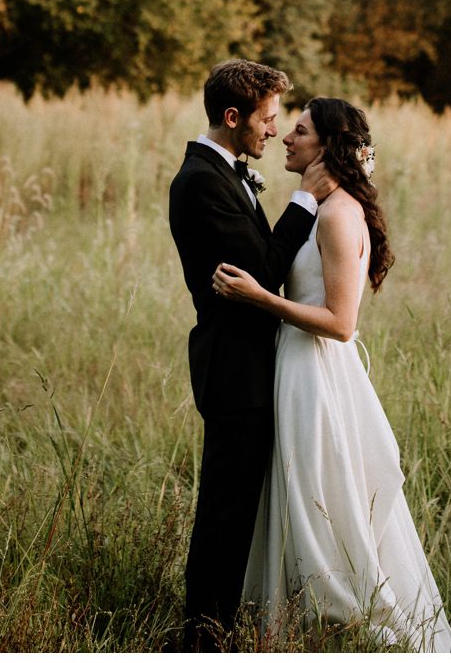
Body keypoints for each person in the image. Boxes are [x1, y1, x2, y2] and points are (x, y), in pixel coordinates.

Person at [213, 97, 451, 652]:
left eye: (299, 131)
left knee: (316, 500)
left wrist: (258, 297)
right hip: (294, 368)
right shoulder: (321, 207)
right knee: (298, 497)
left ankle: (339, 620)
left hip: (315, 374)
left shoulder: (340, 215)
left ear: (326, 147)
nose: (286, 138)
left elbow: (341, 324)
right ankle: (288, 629)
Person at [167, 59, 337, 651]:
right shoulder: (199, 182)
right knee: (225, 509)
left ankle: (220, 626)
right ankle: (201, 639)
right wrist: (305, 200)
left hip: (255, 364)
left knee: (240, 508)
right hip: (233, 366)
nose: (273, 131)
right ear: (233, 117)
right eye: (266, 120)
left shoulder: (228, 172)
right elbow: (260, 271)